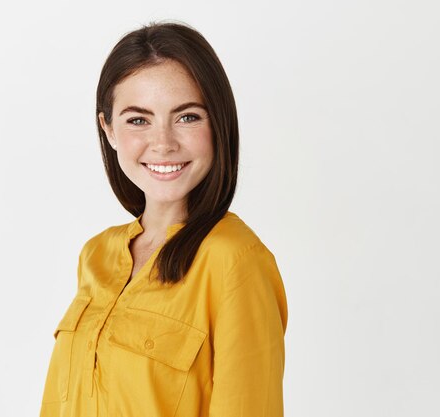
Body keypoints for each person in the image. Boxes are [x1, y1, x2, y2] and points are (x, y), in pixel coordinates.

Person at [39, 21, 288, 417]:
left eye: (187, 117)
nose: (164, 143)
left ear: (218, 123)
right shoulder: (97, 255)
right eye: (138, 119)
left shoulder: (235, 263)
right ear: (109, 129)